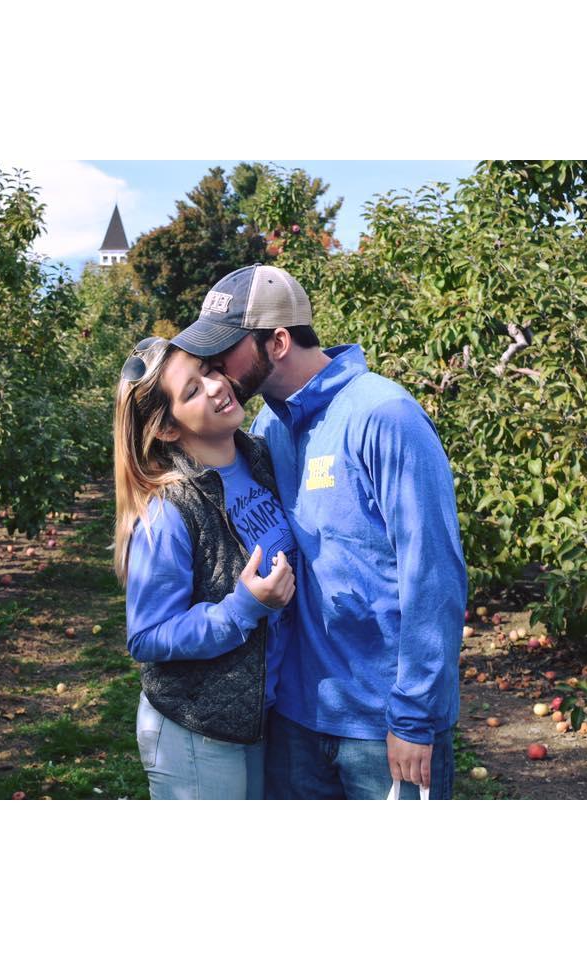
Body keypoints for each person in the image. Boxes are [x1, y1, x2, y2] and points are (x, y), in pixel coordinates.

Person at [170, 264, 467, 800]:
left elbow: (434, 574)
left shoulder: (384, 416)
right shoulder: (266, 429)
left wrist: (415, 717)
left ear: (278, 341)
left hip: (382, 724)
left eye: (225, 350)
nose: (213, 369)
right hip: (297, 719)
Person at [113, 335, 298, 799]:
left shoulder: (261, 459)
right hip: (197, 731)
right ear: (168, 430)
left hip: (258, 714)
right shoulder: (169, 510)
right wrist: (243, 607)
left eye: (210, 370)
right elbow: (146, 635)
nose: (217, 387)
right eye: (192, 391)